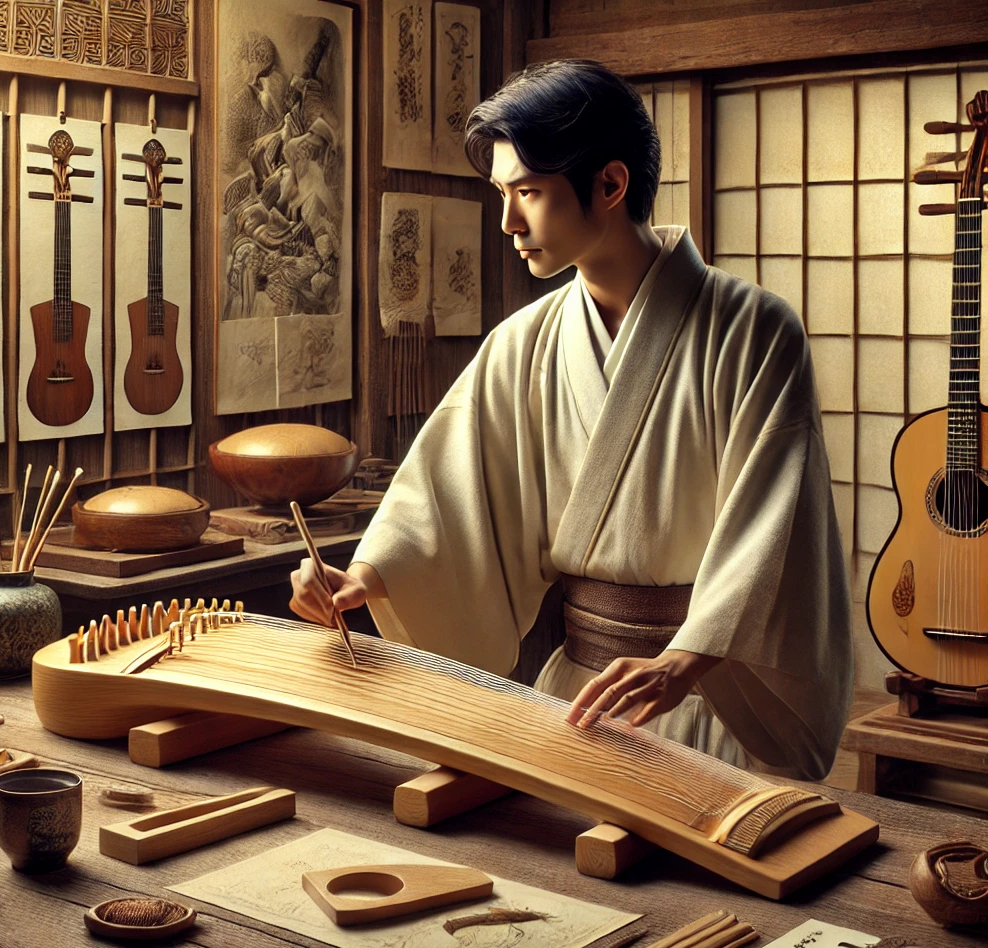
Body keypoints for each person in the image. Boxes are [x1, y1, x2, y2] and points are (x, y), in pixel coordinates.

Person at [290, 59, 853, 781]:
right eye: (501, 194)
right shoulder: (521, 344)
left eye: (528, 192)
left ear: (611, 185)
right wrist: (366, 576)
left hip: (708, 700)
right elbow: (449, 493)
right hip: (578, 700)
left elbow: (775, 525)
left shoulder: (754, 331)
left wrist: (686, 657)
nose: (507, 222)